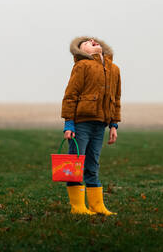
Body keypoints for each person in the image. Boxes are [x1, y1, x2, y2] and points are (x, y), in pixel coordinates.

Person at [61, 36, 121, 215]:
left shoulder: (115, 69)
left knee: (93, 163)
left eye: (94, 41)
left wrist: (113, 124)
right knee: (75, 162)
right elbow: (71, 95)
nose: (93, 41)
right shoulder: (82, 66)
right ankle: (78, 207)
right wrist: (69, 123)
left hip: (100, 125)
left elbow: (115, 99)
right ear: (81, 51)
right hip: (81, 123)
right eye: (86, 43)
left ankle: (97, 205)